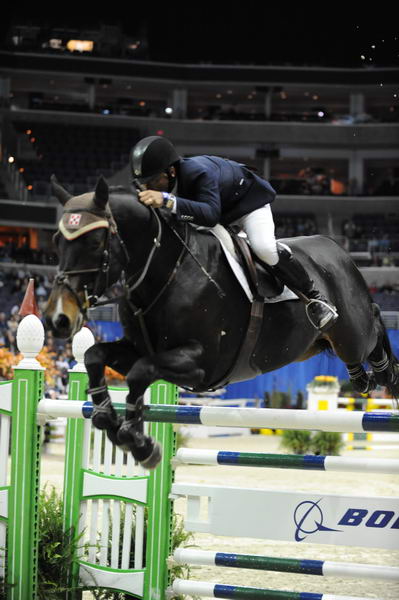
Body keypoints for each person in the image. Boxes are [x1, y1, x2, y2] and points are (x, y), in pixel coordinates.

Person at [130, 136, 338, 331]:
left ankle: (314, 297)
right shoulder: (164, 183)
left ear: (171, 172)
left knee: (263, 248)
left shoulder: (197, 172)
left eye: (153, 181)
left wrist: (167, 200)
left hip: (247, 206)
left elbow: (210, 215)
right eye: (144, 183)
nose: (148, 188)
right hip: (219, 213)